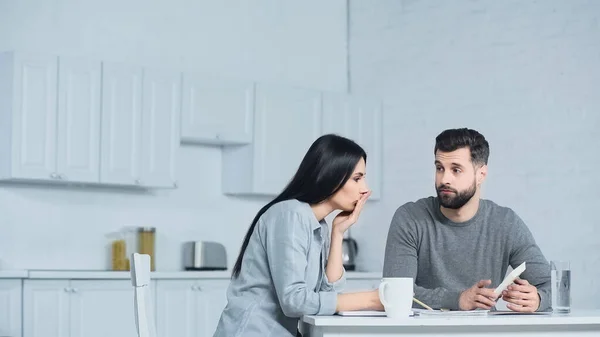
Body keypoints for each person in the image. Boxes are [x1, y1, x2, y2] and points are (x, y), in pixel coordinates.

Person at [213, 134, 383, 337]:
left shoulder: (317, 224)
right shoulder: (291, 214)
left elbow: (326, 297)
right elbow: (294, 301)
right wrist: (370, 300)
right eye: (357, 178)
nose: (365, 189)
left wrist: (338, 233)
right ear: (332, 174)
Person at [383, 128, 551, 313]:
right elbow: (394, 293)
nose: (444, 179)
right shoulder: (410, 218)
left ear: (481, 175)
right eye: (439, 168)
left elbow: (552, 286)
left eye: (456, 170)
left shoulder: (505, 223)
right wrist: (458, 300)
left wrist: (537, 298)